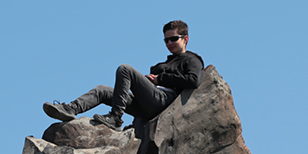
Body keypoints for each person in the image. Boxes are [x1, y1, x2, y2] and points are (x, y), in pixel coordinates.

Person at [43, 20, 204, 131]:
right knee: (102, 90)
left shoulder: (191, 59)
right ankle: (71, 109)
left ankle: (115, 118)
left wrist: (160, 79)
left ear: (186, 39)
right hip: (146, 104)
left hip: (163, 101)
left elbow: (194, 80)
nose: (169, 43)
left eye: (173, 39)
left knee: (125, 69)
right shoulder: (159, 65)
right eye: (166, 40)